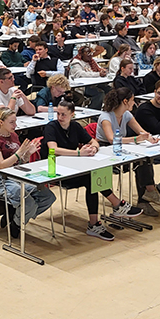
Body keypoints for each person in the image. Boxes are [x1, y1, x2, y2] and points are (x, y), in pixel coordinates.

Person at [43, 99, 142, 241]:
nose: (60, 117)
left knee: (93, 178)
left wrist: (94, 148)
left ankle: (97, 222)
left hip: (73, 166)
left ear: (72, 114)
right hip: (56, 170)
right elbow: (53, 149)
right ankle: (115, 206)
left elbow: (93, 141)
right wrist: (79, 153)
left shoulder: (75, 126)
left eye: (63, 114)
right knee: (91, 179)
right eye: (58, 113)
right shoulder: (51, 127)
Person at [0, 107, 56, 238]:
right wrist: (19, 153)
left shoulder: (14, 135)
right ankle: (17, 224)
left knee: (48, 197)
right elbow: (1, 165)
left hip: (19, 174)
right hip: (4, 179)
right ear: (1, 122)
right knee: (29, 203)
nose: (15, 125)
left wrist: (27, 154)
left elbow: (21, 162)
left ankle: (17, 218)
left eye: (15, 121)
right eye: (12, 122)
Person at [96, 88, 160, 215]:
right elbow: (111, 139)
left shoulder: (126, 114)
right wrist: (136, 139)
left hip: (120, 149)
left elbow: (140, 131)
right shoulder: (106, 117)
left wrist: (150, 138)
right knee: (138, 162)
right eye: (132, 100)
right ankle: (145, 192)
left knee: (143, 160)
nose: (134, 103)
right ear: (125, 101)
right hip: (104, 150)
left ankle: (147, 194)